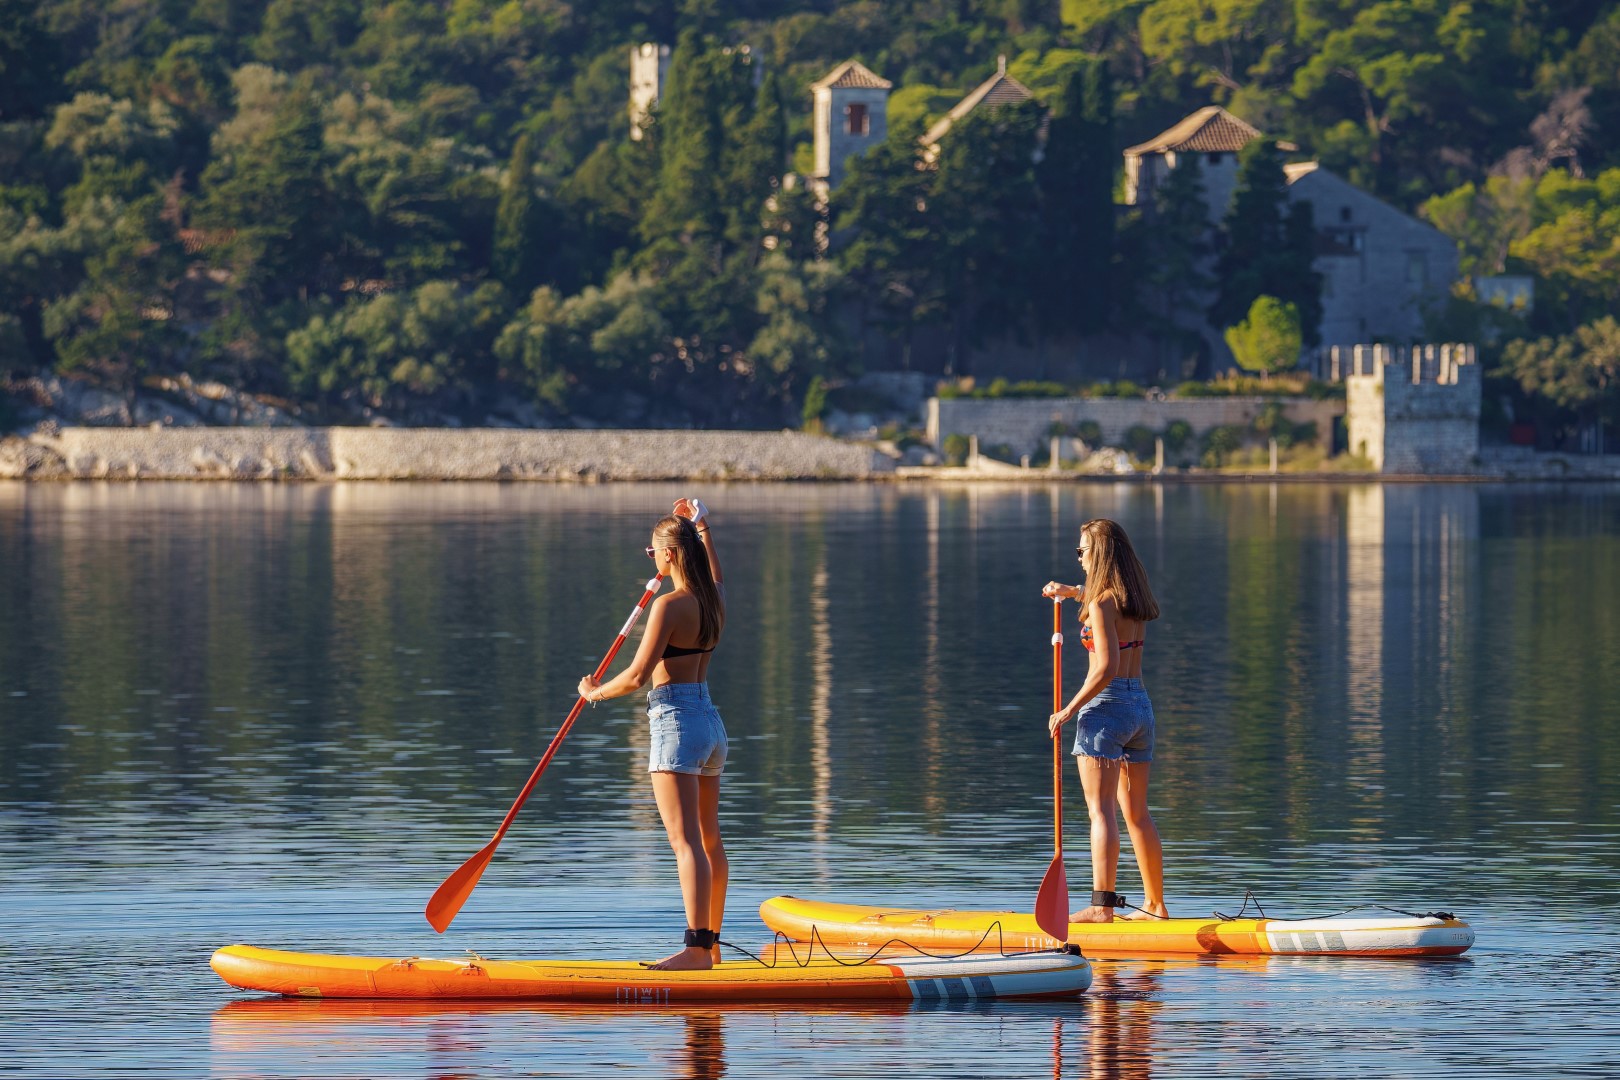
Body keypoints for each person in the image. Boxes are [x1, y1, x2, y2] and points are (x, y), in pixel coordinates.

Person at [579, 498, 728, 969]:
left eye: (653, 551)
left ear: (667, 555)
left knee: (685, 843)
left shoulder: (669, 606)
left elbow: (638, 675)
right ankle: (713, 945)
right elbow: (716, 575)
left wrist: (593, 693)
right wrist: (702, 528)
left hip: (677, 723)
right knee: (709, 840)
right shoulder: (713, 599)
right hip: (710, 721)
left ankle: (696, 950)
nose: (652, 557)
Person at [1042, 518, 1168, 923]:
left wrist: (1068, 709)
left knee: (1101, 813)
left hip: (1106, 711)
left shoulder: (1100, 604)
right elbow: (1101, 605)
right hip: (1140, 709)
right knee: (1137, 813)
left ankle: (1101, 907)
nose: (1078, 557)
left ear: (1100, 554)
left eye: (1082, 551)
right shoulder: (1135, 598)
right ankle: (1154, 905)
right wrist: (1071, 591)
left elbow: (1106, 667)